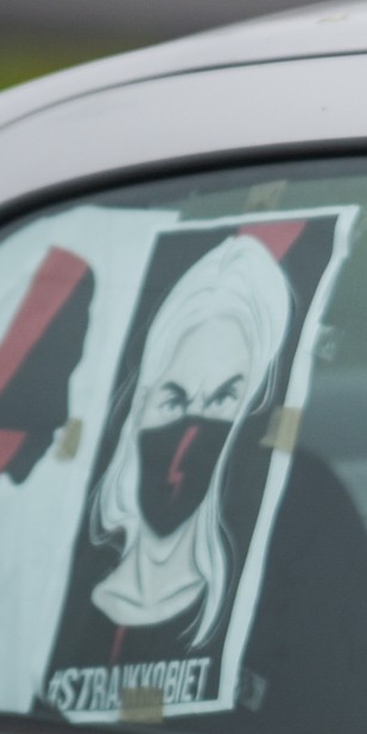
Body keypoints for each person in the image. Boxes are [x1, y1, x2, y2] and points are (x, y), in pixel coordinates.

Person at [86, 234, 292, 655]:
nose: (187, 444)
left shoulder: (281, 586)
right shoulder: (55, 586)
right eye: (173, 401)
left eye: (222, 401)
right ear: (140, 405)